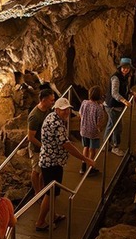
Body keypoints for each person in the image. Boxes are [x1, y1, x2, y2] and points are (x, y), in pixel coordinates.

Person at [35, 98, 95, 231]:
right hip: (52, 163)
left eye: (68, 109)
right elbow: (66, 145)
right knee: (50, 194)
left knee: (52, 192)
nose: (67, 112)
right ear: (57, 109)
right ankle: (40, 222)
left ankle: (53, 215)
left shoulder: (51, 117)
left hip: (49, 159)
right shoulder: (56, 123)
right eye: (63, 110)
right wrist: (85, 159)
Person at [104, 57, 135, 157]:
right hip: (112, 106)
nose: (125, 69)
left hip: (116, 106)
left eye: (127, 68)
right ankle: (115, 147)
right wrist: (124, 100)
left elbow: (125, 88)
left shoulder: (125, 77)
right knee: (117, 127)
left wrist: (130, 92)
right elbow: (114, 93)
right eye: (124, 67)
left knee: (111, 125)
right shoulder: (116, 77)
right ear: (120, 67)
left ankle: (106, 145)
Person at [27, 89, 55, 195]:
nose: (53, 102)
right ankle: (37, 193)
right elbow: (30, 137)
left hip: (45, 146)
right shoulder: (35, 116)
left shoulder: (48, 110)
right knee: (36, 170)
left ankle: (42, 188)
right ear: (43, 100)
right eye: (51, 100)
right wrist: (43, 146)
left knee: (43, 169)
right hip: (37, 148)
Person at [79, 86, 106, 175]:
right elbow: (99, 122)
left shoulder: (84, 102)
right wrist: (100, 129)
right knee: (92, 149)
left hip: (83, 129)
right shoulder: (99, 108)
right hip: (93, 131)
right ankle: (91, 168)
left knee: (85, 147)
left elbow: (80, 114)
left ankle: (83, 167)